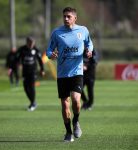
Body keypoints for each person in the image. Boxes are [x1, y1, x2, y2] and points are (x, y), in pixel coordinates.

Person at [46, 7, 93, 142]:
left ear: (75, 18)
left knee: (76, 100)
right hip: (62, 74)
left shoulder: (83, 30)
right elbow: (49, 50)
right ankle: (68, 133)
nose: (66, 19)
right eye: (64, 16)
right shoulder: (57, 33)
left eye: (69, 16)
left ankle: (76, 121)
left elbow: (89, 43)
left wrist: (89, 51)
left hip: (77, 72)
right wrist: (51, 54)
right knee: (65, 105)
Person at [16, 36, 45, 111]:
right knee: (26, 88)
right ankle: (33, 102)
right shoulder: (22, 49)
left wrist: (42, 70)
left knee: (31, 86)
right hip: (25, 71)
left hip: (33, 71)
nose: (31, 44)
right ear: (27, 42)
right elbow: (17, 58)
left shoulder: (36, 50)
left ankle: (32, 103)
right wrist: (18, 64)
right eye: (30, 43)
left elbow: (40, 60)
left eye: (33, 43)